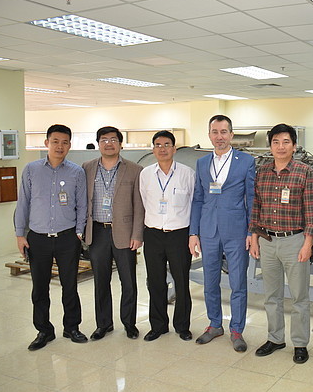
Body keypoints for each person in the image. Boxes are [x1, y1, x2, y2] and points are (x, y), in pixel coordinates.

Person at [249, 123, 313, 364]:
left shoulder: (306, 172)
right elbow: (256, 207)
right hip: (267, 241)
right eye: (276, 142)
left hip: (295, 242)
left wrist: (308, 243)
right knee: (272, 295)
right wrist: (254, 237)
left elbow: (312, 211)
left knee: (299, 297)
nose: (281, 147)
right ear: (270, 146)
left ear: (294, 146)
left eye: (286, 142)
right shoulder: (262, 172)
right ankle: (275, 338)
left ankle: (300, 343)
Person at [14, 124, 88, 350]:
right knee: (39, 288)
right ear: (46, 143)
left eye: (64, 142)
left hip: (68, 238)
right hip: (38, 238)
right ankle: (44, 330)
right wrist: (20, 234)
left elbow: (82, 205)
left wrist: (79, 233)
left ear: (70, 145)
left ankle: (71, 327)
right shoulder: (31, 170)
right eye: (55, 141)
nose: (59, 146)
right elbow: (23, 203)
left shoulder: (76, 172)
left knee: (70, 286)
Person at [189, 115, 255, 352]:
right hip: (208, 230)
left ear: (231, 134)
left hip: (236, 231)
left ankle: (237, 330)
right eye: (215, 132)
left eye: (224, 132)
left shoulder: (246, 161)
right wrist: (193, 232)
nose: (219, 137)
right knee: (210, 282)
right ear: (209, 135)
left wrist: (251, 231)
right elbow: (198, 199)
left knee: (238, 283)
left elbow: (251, 198)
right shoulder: (202, 162)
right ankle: (215, 324)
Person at [82, 126, 144, 341]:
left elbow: (139, 205)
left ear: (120, 143)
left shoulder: (134, 169)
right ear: (98, 144)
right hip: (97, 231)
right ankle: (103, 324)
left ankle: (129, 324)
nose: (109, 143)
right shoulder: (87, 168)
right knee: (101, 281)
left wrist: (137, 234)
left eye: (113, 139)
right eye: (104, 140)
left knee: (128, 281)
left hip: (125, 233)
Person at [139, 131, 195, 342]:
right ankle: (158, 325)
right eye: (158, 145)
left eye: (167, 144)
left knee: (181, 281)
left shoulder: (187, 173)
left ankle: (182, 326)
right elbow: (143, 202)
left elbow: (194, 204)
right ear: (153, 149)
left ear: (174, 148)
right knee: (155, 282)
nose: (162, 149)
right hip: (153, 234)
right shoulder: (146, 174)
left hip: (179, 235)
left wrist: (193, 235)